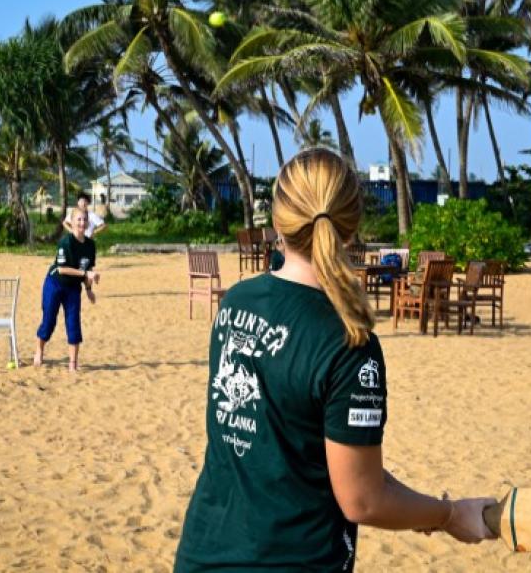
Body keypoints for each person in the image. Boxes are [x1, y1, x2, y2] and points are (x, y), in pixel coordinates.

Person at [174, 149, 496, 572]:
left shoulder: (236, 303)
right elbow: (362, 498)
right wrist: (450, 515)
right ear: (351, 229)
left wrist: (436, 509)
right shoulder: (348, 343)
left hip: (203, 553)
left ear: (277, 221)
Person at [34, 207, 99, 372]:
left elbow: (88, 267)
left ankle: (73, 363)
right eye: (79, 220)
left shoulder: (90, 245)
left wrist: (89, 289)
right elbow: (63, 269)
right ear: (71, 222)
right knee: (49, 321)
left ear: (88, 223)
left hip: (73, 288)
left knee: (73, 323)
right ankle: (39, 350)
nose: (82, 223)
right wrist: (86, 273)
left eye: (84, 220)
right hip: (55, 283)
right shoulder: (66, 242)